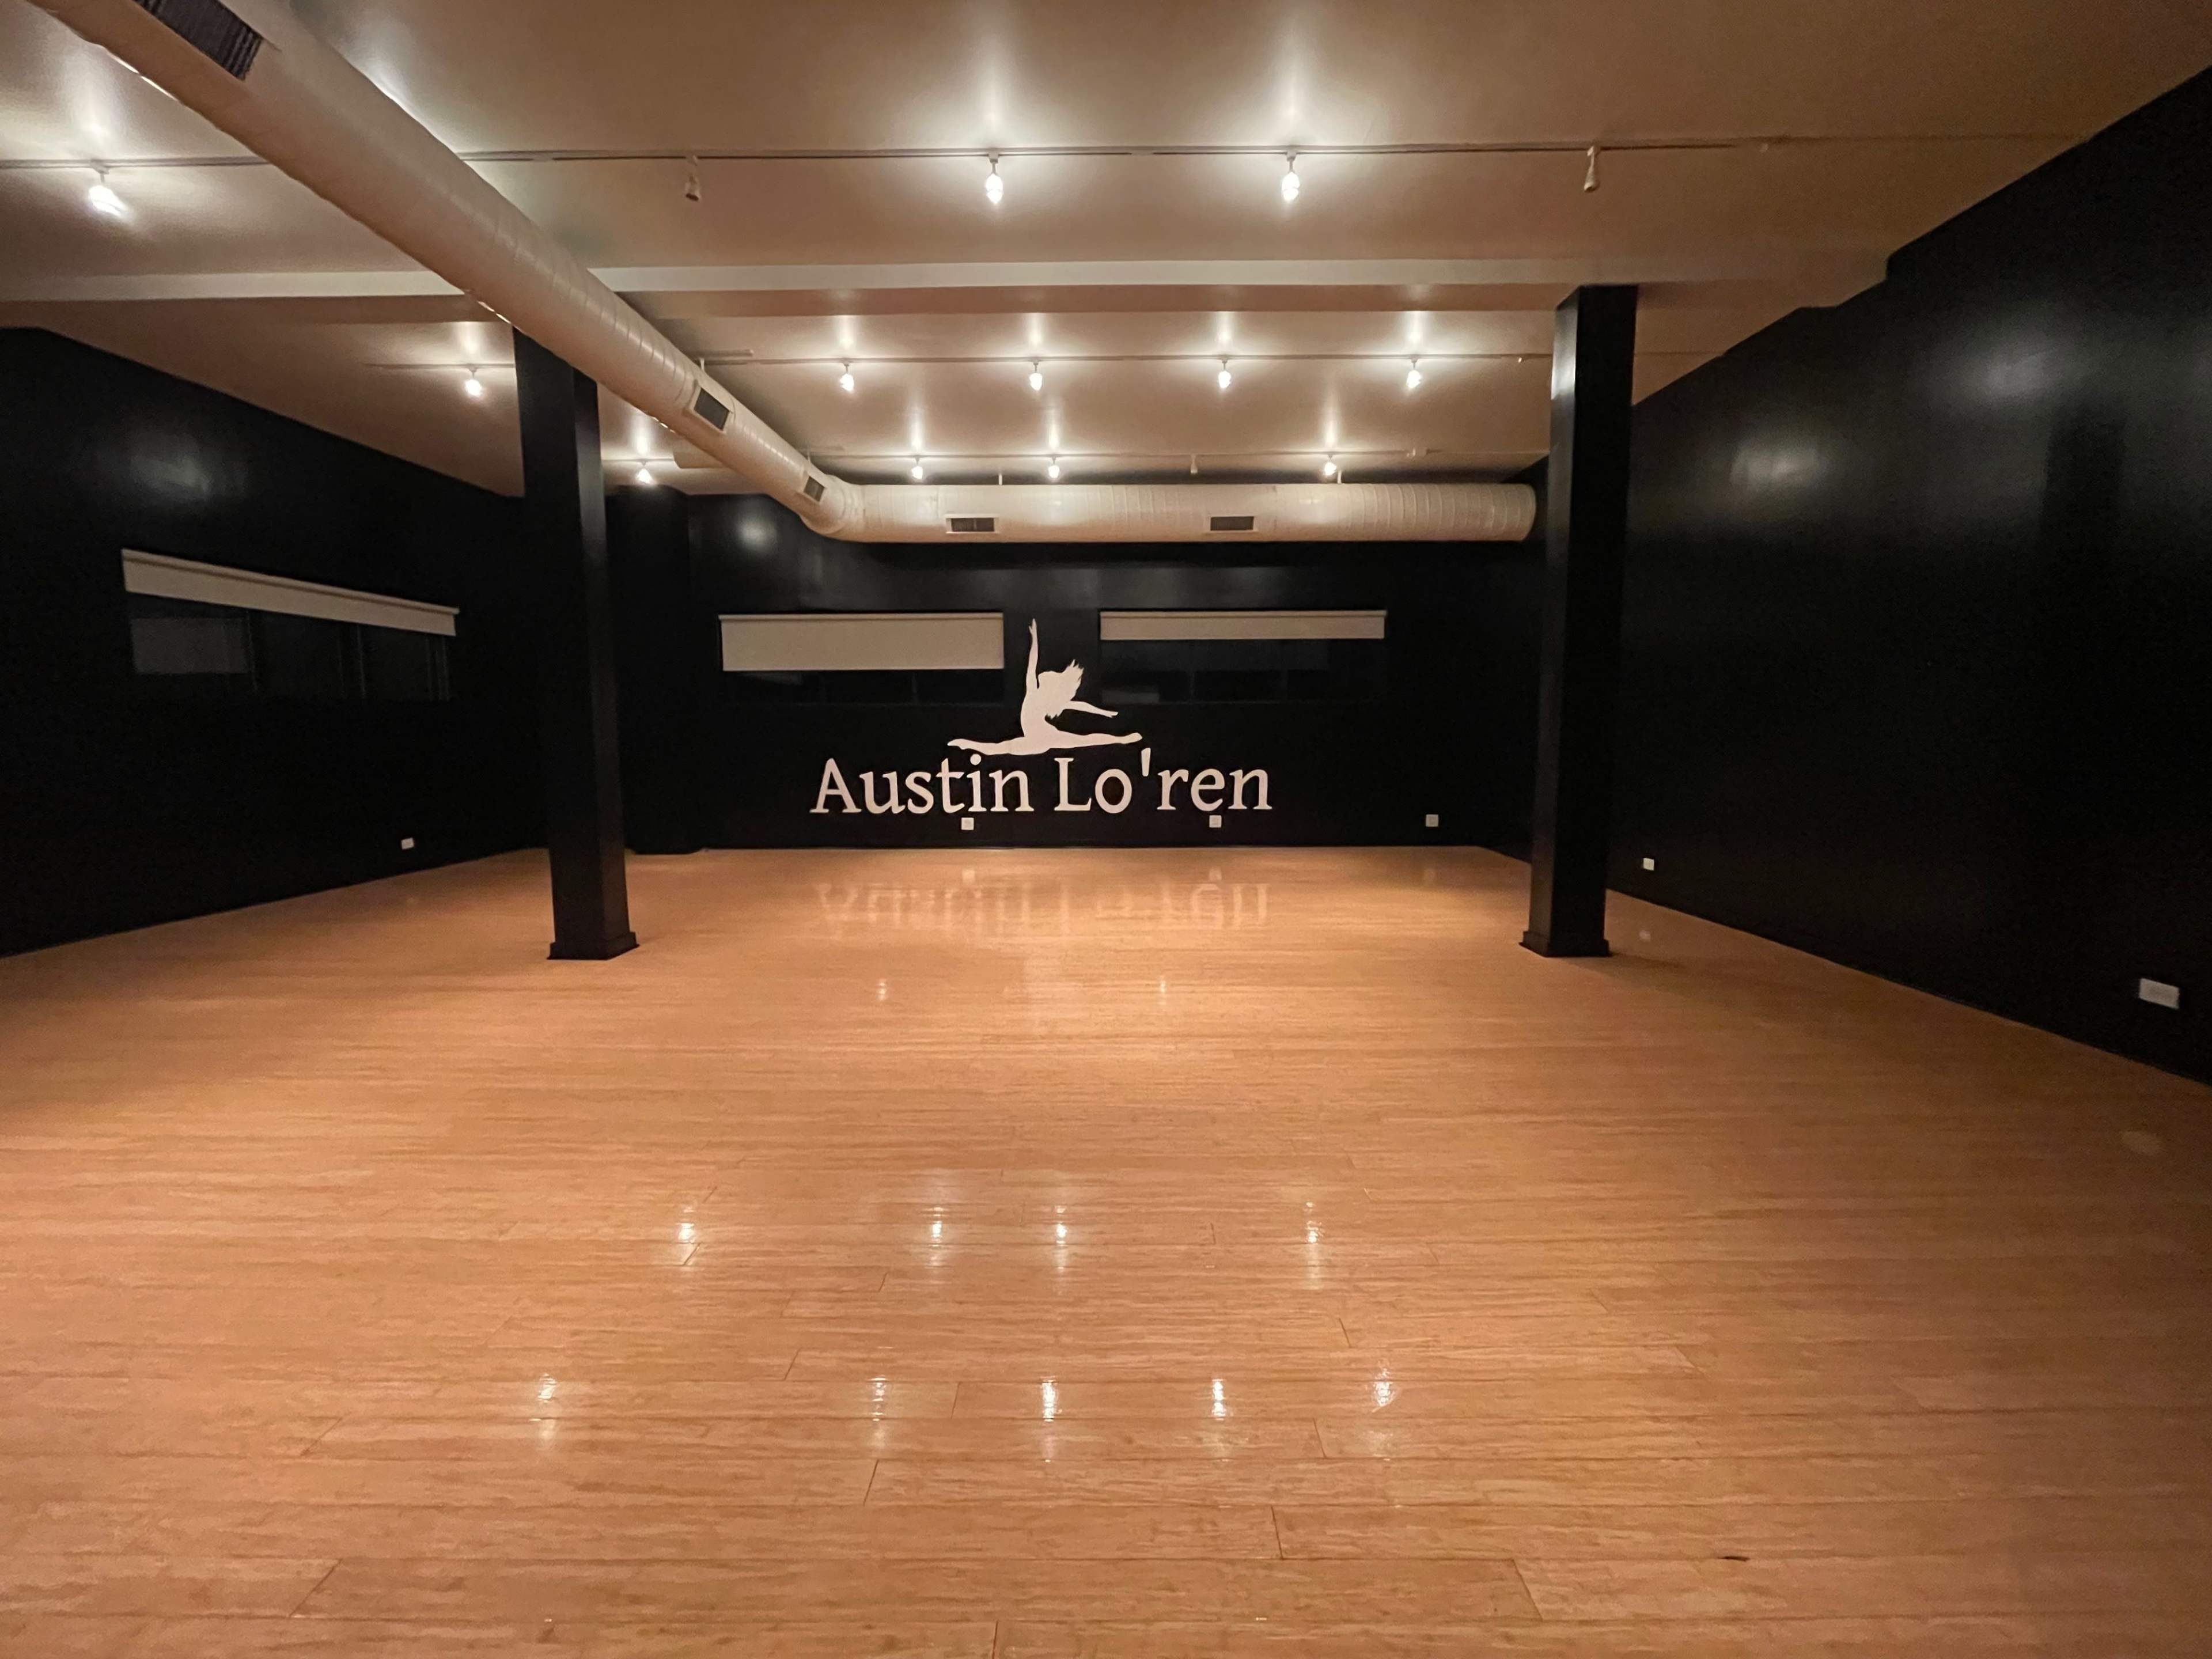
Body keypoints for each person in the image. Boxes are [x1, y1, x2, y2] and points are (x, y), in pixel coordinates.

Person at [949, 619, 1143, 755]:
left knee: (1083, 741)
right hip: (1042, 737)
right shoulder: (1035, 692)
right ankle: (1121, 740)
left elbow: (1078, 705)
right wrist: (1035, 640)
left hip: (1042, 736)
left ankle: (1121, 740)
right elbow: (1032, 664)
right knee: (1083, 741)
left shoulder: (1040, 696)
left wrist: (1103, 712)